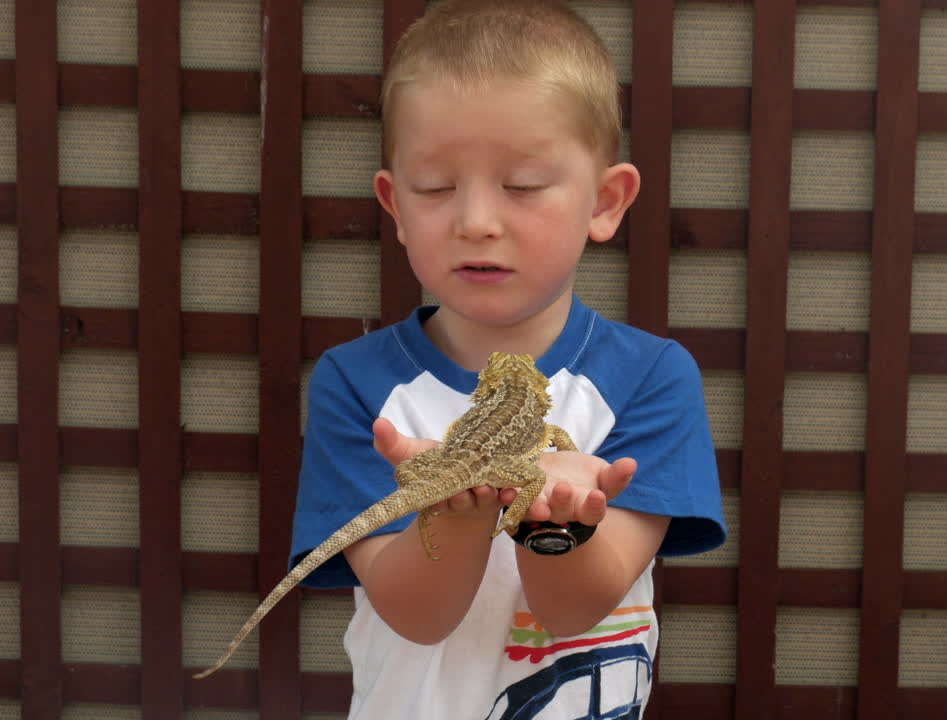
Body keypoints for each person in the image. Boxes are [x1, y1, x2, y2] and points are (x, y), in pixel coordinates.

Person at [289, 1, 727, 717]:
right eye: (435, 188)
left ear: (605, 201)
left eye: (522, 186)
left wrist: (551, 520)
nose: (477, 222)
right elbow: (417, 614)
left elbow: (574, 609)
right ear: (395, 205)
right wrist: (459, 515)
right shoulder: (359, 385)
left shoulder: (650, 377)